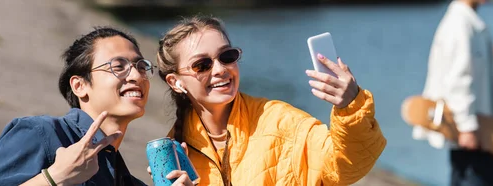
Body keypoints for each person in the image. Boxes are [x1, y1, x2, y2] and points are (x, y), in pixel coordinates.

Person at [153, 15, 386, 185]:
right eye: (202, 65)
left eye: (227, 56)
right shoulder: (174, 149)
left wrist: (350, 107)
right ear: (175, 82)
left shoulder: (280, 122)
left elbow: (346, 165)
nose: (220, 70)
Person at [0, 27, 152, 186]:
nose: (136, 75)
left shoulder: (126, 179)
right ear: (79, 86)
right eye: (118, 66)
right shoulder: (41, 133)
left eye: (142, 67)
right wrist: (54, 178)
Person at [412, 0, 493, 185]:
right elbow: (459, 78)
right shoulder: (460, 24)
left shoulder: (466, 21)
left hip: (479, 133)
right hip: (470, 135)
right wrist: (466, 127)